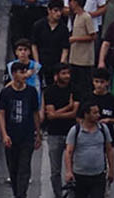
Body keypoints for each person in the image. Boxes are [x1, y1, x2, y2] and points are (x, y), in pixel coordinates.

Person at [0, 59, 42, 198]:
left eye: (24, 72)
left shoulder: (31, 92)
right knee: (13, 168)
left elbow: (35, 113)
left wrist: (38, 133)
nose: (24, 75)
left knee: (24, 167)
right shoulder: (6, 93)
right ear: (14, 74)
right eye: (20, 72)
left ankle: (21, 194)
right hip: (11, 136)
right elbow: (1, 114)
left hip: (27, 136)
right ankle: (17, 193)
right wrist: (4, 134)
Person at [63, 100, 114, 198]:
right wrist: (69, 171)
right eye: (94, 113)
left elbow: (109, 150)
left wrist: (111, 170)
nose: (98, 115)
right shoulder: (75, 131)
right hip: (79, 175)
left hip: (98, 175)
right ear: (86, 114)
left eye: (98, 112)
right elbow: (68, 152)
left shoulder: (103, 129)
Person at [42, 64, 78, 198]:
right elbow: (49, 114)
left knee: (74, 167)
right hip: (54, 133)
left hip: (72, 132)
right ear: (57, 76)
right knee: (55, 170)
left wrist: (57, 114)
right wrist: (68, 106)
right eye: (63, 73)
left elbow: (75, 113)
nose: (67, 76)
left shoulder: (75, 89)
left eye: (68, 73)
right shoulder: (49, 91)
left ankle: (73, 193)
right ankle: (58, 194)